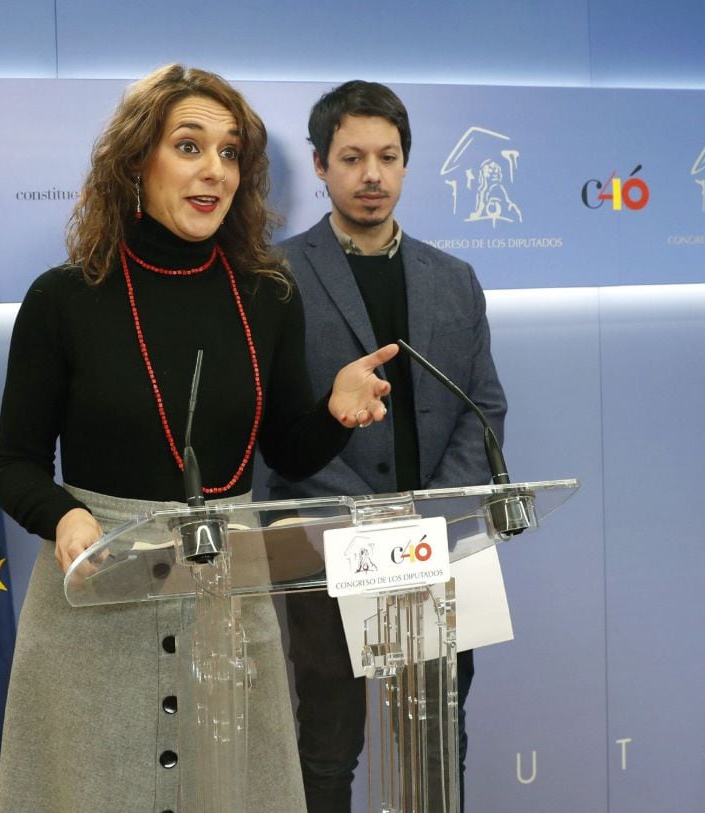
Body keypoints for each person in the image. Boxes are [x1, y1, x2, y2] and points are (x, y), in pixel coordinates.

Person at [0, 64, 399, 812]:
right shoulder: (63, 299)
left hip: (224, 602)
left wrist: (336, 412)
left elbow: (286, 451)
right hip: (97, 610)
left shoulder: (268, 295)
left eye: (231, 152)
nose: (214, 169)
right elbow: (13, 464)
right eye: (189, 146)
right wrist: (64, 515)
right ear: (136, 161)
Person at [269, 81, 508, 812]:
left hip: (433, 544)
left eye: (388, 156)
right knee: (329, 746)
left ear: (405, 165)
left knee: (437, 741)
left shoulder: (455, 280)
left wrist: (435, 508)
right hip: (324, 543)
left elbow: (484, 406)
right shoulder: (273, 277)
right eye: (351, 157)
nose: (371, 174)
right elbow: (268, 424)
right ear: (319, 165)